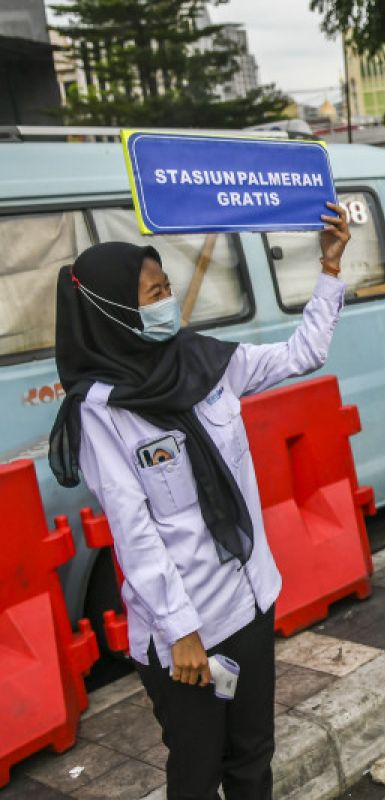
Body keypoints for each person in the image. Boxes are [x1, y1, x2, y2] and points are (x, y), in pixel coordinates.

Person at [48, 203, 350, 798]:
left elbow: (302, 354)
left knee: (251, 753)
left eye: (166, 287)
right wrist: (181, 631)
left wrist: (330, 268)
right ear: (112, 312)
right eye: (151, 293)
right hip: (186, 635)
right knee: (198, 764)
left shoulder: (205, 361)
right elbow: (135, 532)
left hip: (248, 603)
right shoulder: (100, 413)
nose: (166, 302)